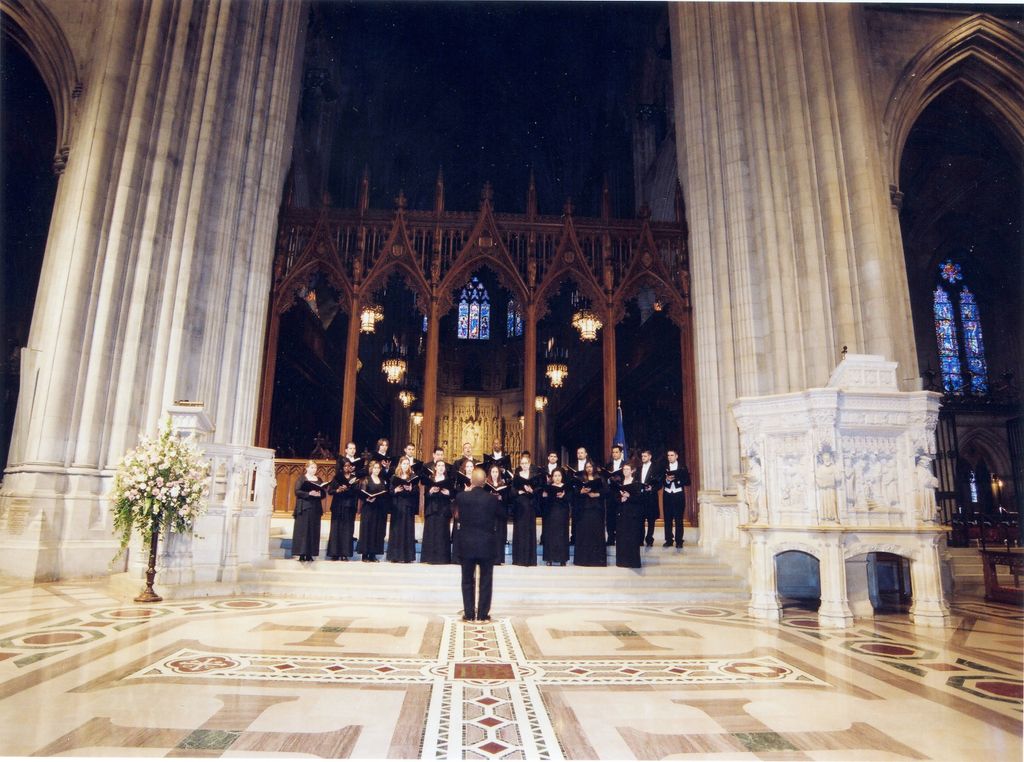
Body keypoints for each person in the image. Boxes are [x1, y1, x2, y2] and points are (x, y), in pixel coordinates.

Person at [453, 466, 505, 623]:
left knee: (467, 580)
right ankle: (483, 615)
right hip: (487, 545)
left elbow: (455, 515)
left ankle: (469, 614)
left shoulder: (461, 497)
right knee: (486, 580)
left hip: (466, 544)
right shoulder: (492, 499)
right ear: (485, 482)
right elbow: (502, 515)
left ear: (471, 481)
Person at [293, 460, 329, 562]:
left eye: (315, 468)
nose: (314, 470)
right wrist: (309, 494)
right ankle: (301, 554)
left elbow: (323, 493)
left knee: (313, 530)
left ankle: (310, 554)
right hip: (304, 507)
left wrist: (319, 494)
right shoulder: (302, 479)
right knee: (303, 531)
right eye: (312, 467)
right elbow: (297, 491)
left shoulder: (319, 479)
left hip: (315, 508)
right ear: (307, 468)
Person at [574, 461, 607, 566]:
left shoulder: (600, 478)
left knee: (596, 533)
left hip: (596, 509)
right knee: (584, 534)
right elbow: (574, 494)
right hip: (584, 509)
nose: (588, 469)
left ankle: (597, 560)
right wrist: (581, 492)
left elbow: (607, 492)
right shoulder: (581, 479)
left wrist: (596, 494)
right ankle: (583, 560)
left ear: (594, 468)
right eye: (587, 467)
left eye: (590, 467)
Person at [421, 460, 454, 564]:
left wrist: (448, 492)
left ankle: (442, 558)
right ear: (435, 467)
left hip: (444, 509)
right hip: (432, 509)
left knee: (442, 533)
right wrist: (431, 491)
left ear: (445, 468)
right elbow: (425, 495)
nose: (440, 467)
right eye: (438, 465)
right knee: (431, 533)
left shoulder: (448, 480)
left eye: (442, 466)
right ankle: (429, 558)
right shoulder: (430, 479)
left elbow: (453, 494)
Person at [511, 453, 541, 566]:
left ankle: (530, 559)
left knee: (529, 530)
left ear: (529, 464)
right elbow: (512, 491)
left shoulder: (534, 475)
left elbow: (538, 489)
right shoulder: (517, 475)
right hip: (520, 505)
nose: (524, 465)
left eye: (526, 463)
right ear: (520, 464)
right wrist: (519, 491)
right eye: (522, 463)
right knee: (519, 530)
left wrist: (531, 490)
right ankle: (519, 559)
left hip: (530, 505)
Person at [387, 456, 418, 563]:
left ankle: (407, 556)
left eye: (407, 464)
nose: (405, 465)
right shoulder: (394, 477)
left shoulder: (412, 476)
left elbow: (416, 492)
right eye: (403, 463)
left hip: (408, 506)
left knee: (407, 530)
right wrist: (395, 490)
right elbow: (390, 492)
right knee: (397, 530)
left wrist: (411, 489)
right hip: (397, 506)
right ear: (400, 465)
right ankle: (395, 556)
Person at [326, 460, 358, 560]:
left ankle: (345, 554)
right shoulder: (337, 477)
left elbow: (357, 492)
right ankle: (334, 553)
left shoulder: (354, 479)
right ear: (342, 467)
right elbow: (330, 491)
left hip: (349, 507)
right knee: (336, 529)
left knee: (347, 530)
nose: (347, 468)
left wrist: (348, 489)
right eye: (345, 466)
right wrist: (338, 490)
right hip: (338, 506)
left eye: (349, 466)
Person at [357, 460, 388, 562]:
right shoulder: (366, 480)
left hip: (378, 509)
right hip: (368, 508)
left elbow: (384, 494)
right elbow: (361, 494)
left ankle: (373, 554)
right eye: (375, 468)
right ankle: (365, 554)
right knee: (367, 530)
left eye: (378, 468)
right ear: (371, 469)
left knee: (376, 531)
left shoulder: (382, 480)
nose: (376, 470)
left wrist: (378, 497)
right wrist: (367, 498)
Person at [615, 462, 643, 569]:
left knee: (632, 537)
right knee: (622, 537)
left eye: (627, 469)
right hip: (622, 512)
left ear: (632, 471)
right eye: (624, 469)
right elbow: (615, 498)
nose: (625, 471)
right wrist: (620, 499)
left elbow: (640, 499)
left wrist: (629, 496)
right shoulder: (619, 483)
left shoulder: (636, 483)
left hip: (632, 514)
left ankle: (633, 562)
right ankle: (622, 561)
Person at [541, 468, 571, 566]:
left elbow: (571, 499)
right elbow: (544, 500)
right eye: (555, 476)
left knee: (562, 535)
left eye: (559, 476)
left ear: (562, 477)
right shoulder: (548, 487)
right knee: (550, 535)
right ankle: (549, 558)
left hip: (562, 513)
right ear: (552, 477)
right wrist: (546, 496)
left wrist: (564, 495)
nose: (557, 478)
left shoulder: (566, 487)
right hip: (551, 513)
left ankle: (563, 559)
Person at [661, 449, 689, 547]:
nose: (670, 457)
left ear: (676, 456)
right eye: (668, 455)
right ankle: (669, 540)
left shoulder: (682, 467)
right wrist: (667, 480)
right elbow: (660, 481)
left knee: (678, 518)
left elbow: (688, 481)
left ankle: (679, 541)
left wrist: (677, 480)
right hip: (667, 494)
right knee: (667, 518)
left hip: (678, 495)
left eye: (672, 455)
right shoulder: (664, 467)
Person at [485, 464, 510, 564]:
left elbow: (507, 499)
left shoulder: (502, 483)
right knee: (490, 535)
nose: (495, 474)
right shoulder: (486, 484)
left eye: (496, 472)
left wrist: (501, 497)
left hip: (499, 512)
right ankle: (489, 558)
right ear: (490, 473)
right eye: (493, 472)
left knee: (499, 535)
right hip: (489, 513)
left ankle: (499, 558)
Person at [638, 449, 661, 547]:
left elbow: (660, 483)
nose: (643, 458)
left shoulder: (656, 468)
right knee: (640, 519)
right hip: (641, 497)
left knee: (651, 519)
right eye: (642, 456)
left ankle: (649, 539)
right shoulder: (639, 468)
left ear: (650, 456)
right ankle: (640, 539)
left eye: (645, 456)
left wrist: (652, 488)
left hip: (651, 497)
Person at [604, 444, 626, 546]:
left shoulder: (625, 465)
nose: (614, 454)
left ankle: (621, 538)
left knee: (621, 517)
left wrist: (619, 479)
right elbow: (604, 478)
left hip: (620, 493)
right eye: (613, 452)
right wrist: (609, 479)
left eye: (617, 452)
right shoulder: (608, 465)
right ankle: (611, 538)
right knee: (610, 517)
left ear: (621, 453)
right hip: (610, 494)